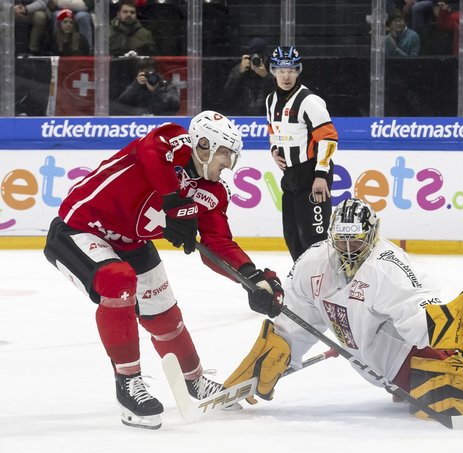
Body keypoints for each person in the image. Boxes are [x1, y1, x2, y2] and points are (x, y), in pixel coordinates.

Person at [225, 198, 463, 432]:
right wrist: (263, 365)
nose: (347, 249)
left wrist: (450, 322)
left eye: (356, 242)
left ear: (371, 236)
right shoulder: (313, 263)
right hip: (375, 364)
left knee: (449, 390)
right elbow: (295, 324)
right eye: (341, 241)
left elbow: (417, 313)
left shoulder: (386, 266)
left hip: (406, 358)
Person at [43, 111, 284, 430]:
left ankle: (194, 382)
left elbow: (218, 245)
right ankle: (128, 384)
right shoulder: (172, 141)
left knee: (165, 313)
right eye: (224, 153)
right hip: (80, 229)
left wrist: (251, 278)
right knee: (119, 282)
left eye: (231, 155)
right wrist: (173, 201)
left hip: (131, 242)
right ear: (203, 144)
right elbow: (150, 154)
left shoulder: (213, 193)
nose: (228, 163)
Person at [265, 46, 339, 262]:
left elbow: (328, 137)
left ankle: (325, 286)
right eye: (281, 70)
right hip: (290, 176)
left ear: (298, 71)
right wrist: (274, 150)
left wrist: (321, 175)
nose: (286, 76)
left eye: (291, 70)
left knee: (315, 238)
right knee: (292, 237)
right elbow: (273, 128)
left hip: (311, 174)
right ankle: (304, 285)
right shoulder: (271, 100)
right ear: (273, 71)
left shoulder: (309, 101)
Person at [223, 37, 275, 116]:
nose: (258, 61)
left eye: (262, 58)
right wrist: (238, 72)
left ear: (267, 58)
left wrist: (266, 76)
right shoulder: (241, 69)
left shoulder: (273, 70)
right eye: (254, 58)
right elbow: (226, 96)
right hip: (242, 115)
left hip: (266, 115)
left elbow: (280, 96)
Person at [113, 57, 180, 116]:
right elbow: (120, 105)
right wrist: (135, 85)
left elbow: (174, 106)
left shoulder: (166, 85)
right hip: (138, 121)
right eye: (145, 74)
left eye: (150, 74)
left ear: (157, 73)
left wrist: (156, 90)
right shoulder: (134, 86)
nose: (148, 77)